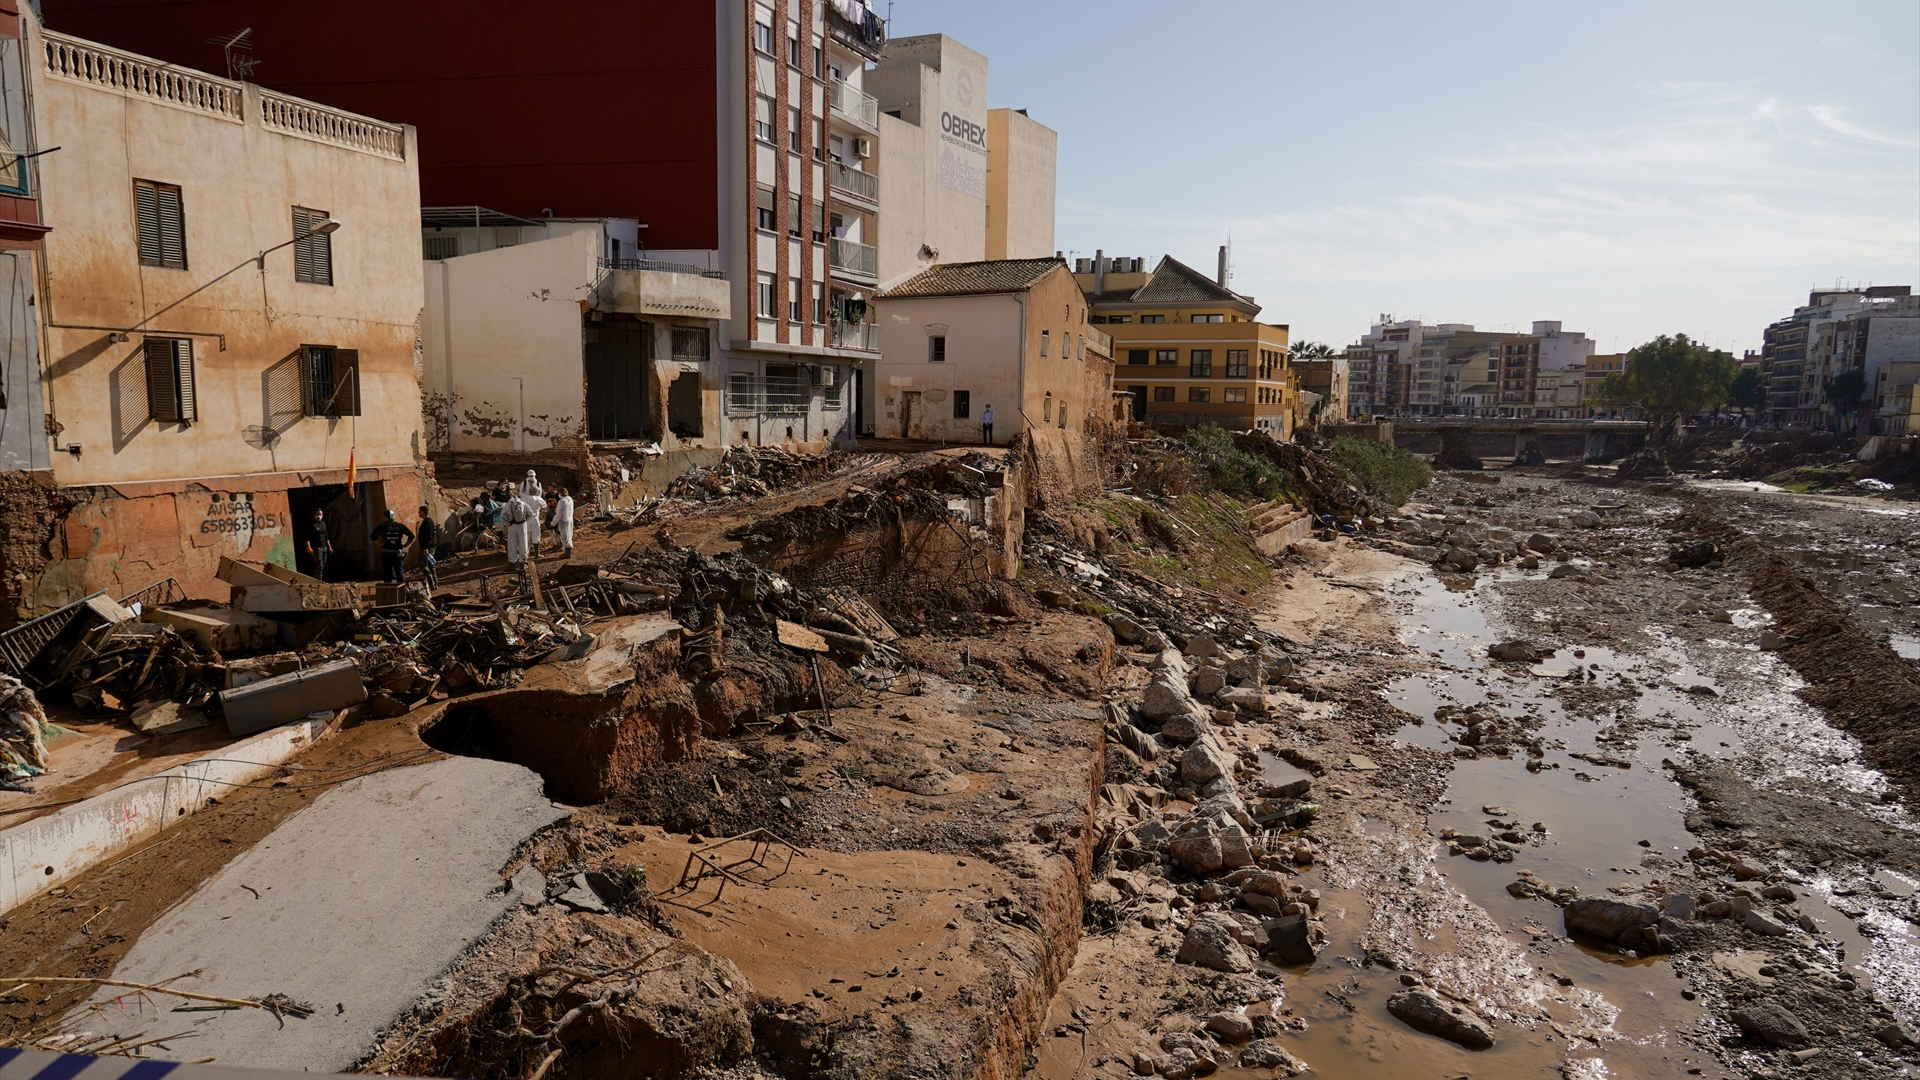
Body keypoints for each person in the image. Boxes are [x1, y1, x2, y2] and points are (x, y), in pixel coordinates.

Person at [372, 509, 414, 584]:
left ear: (385, 517)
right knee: (399, 572)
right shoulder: (400, 526)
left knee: (387, 573)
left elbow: (373, 536)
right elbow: (412, 536)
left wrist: (379, 544)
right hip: (398, 553)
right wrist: (405, 545)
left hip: (386, 553)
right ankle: (402, 590)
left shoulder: (382, 526)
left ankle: (389, 591)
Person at [502, 485, 533, 567]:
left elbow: (502, 515)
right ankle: (523, 561)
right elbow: (531, 514)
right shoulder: (523, 504)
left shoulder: (508, 504)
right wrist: (525, 520)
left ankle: (512, 562)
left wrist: (508, 522)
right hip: (522, 525)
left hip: (512, 526)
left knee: (512, 544)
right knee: (523, 542)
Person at [414, 505, 441, 588]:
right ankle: (434, 584)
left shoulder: (428, 523)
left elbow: (428, 536)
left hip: (428, 548)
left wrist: (425, 548)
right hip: (429, 547)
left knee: (423, 565)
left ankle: (432, 583)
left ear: (423, 511)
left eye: (420, 511)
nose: (418, 513)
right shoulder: (428, 521)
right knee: (430, 565)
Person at [302, 508, 333, 580]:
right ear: (314, 515)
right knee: (319, 565)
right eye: (317, 514)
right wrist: (308, 547)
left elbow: (326, 537)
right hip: (316, 548)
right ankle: (318, 580)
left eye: (320, 514)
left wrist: (329, 547)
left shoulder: (323, 524)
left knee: (323, 565)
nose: (319, 516)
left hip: (324, 547)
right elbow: (307, 538)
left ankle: (318, 578)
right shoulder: (310, 524)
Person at [550, 486, 575, 559]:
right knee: (569, 535)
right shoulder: (570, 499)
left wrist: (553, 523)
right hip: (570, 519)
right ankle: (567, 551)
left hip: (564, 520)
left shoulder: (562, 501)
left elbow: (559, 513)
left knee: (564, 536)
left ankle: (567, 553)